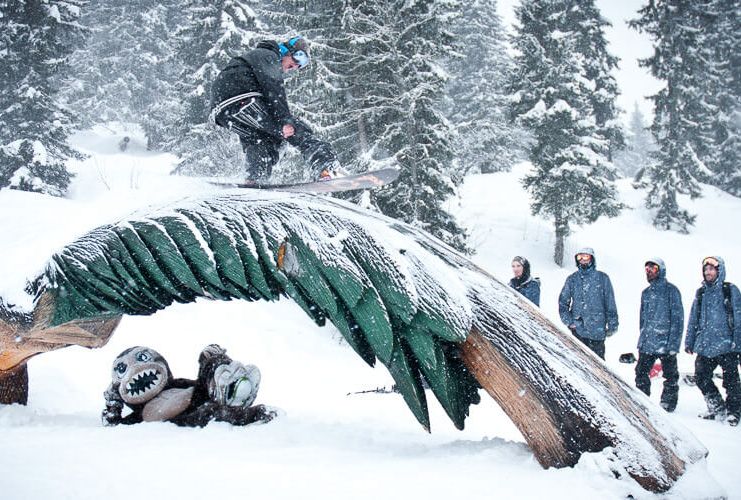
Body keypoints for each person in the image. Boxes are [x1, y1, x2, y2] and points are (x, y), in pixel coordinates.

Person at [210, 36, 340, 182]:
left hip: (224, 113)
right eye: (299, 57)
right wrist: (285, 121)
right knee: (296, 130)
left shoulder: (256, 57)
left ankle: (255, 178)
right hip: (243, 98)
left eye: (302, 65)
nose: (296, 66)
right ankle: (325, 167)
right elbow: (273, 88)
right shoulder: (268, 55)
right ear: (286, 50)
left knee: (259, 139)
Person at [685, 256, 741, 426]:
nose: (708, 272)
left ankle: (734, 411)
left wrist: (737, 343)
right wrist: (689, 341)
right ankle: (717, 407)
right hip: (705, 345)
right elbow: (693, 318)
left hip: (727, 346)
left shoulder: (730, 290)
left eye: (711, 269)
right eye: (706, 269)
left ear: (719, 270)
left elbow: (739, 318)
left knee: (731, 381)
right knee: (701, 377)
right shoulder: (701, 292)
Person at [634, 258, 683, 412]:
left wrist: (673, 344)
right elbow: (642, 319)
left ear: (661, 270)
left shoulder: (671, 291)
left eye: (653, 269)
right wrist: (642, 338)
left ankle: (667, 405)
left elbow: (678, 319)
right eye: (647, 270)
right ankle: (642, 401)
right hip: (648, 341)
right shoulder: (646, 293)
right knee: (641, 372)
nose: (649, 272)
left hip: (666, 342)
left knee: (670, 375)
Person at [558, 247, 619, 359]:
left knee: (598, 367)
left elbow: (610, 303)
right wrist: (569, 322)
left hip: (597, 331)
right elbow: (563, 302)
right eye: (579, 257)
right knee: (578, 364)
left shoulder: (602, 278)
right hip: (578, 331)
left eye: (586, 256)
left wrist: (612, 325)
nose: (583, 260)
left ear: (592, 258)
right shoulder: (572, 279)